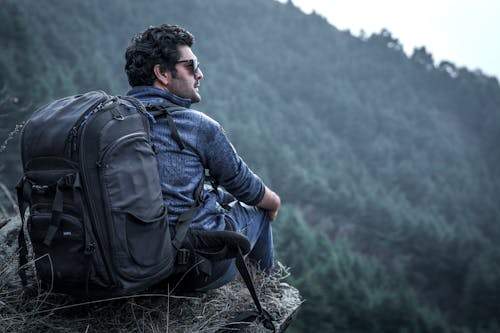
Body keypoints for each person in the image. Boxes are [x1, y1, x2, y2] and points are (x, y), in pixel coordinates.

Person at [124, 24, 281, 291]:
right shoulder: (197, 126)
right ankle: (270, 291)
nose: (200, 73)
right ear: (162, 73)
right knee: (259, 211)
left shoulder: (114, 121)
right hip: (190, 267)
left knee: (218, 195)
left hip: (131, 259)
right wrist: (274, 202)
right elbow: (245, 186)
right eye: (191, 65)